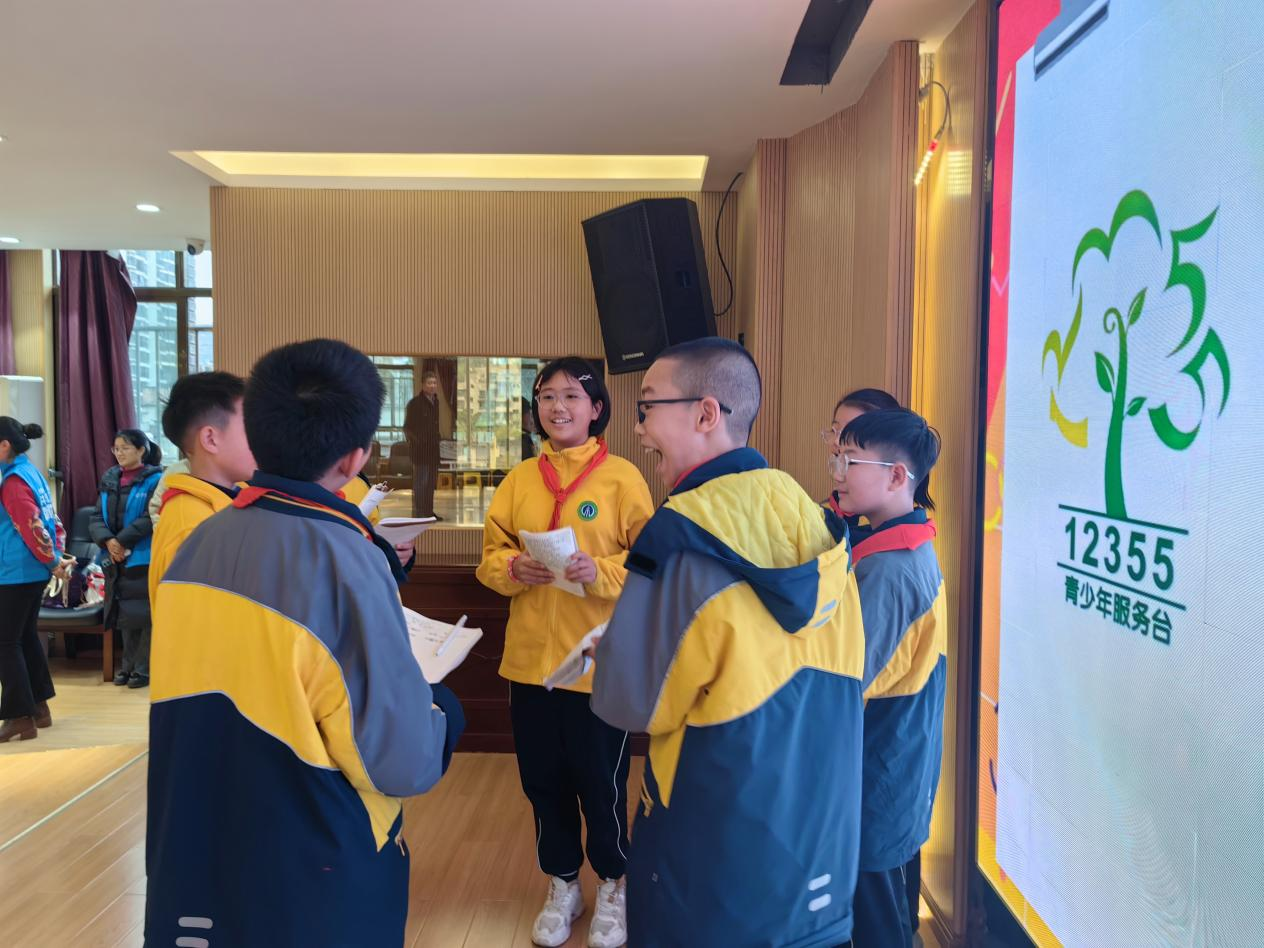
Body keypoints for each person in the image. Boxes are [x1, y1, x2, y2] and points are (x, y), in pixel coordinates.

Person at [145, 339, 464, 946]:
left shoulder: (199, 540)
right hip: (313, 865)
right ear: (355, 457)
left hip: (196, 849)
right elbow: (397, 759)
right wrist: (442, 710)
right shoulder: (345, 559)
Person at [590, 338, 867, 947]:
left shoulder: (678, 538)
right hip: (819, 851)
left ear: (706, 413)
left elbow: (629, 702)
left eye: (647, 407)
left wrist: (613, 650)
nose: (639, 430)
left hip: (710, 862)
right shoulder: (818, 523)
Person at [477, 356, 653, 948]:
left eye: (572, 396)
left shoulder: (623, 479)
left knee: (601, 784)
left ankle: (614, 884)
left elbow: (650, 565)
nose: (558, 407)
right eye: (548, 396)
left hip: (596, 663)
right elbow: (490, 556)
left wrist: (598, 571)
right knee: (543, 782)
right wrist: (512, 568)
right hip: (529, 665)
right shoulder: (520, 478)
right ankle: (562, 883)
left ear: (596, 408)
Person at [833, 409, 946, 948]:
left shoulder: (891, 566)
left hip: (880, 759)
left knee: (878, 916)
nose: (838, 473)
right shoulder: (902, 542)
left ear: (897, 476)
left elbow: (847, 678)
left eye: (850, 461)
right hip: (897, 755)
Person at [148, 372, 257, 606]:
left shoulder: (228, 503)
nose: (261, 438)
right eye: (250, 428)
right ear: (210, 439)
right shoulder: (190, 528)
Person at [0, 419, 68, 743]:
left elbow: (32, 527)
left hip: (17, 572)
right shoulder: (31, 472)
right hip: (31, 571)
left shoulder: (13, 481)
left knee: (5, 642)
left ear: (4, 445)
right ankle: (39, 708)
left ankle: (19, 717)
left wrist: (53, 560)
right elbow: (52, 520)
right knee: (24, 637)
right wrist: (55, 557)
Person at [89, 428, 162, 689]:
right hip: (114, 557)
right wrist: (109, 541)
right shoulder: (110, 478)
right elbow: (96, 517)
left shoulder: (155, 479)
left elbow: (150, 517)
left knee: (145, 614)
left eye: (125, 448)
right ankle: (127, 666)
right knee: (124, 614)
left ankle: (143, 670)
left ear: (141, 450)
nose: (119, 453)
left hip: (143, 555)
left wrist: (121, 541)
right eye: (116, 448)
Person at [404, 371, 443, 518]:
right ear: (423, 384)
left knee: (431, 483)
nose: (432, 386)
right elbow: (407, 428)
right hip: (420, 451)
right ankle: (419, 513)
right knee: (421, 483)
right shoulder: (414, 403)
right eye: (429, 383)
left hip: (433, 450)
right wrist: (418, 442)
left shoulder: (436, 402)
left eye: (434, 383)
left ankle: (429, 512)